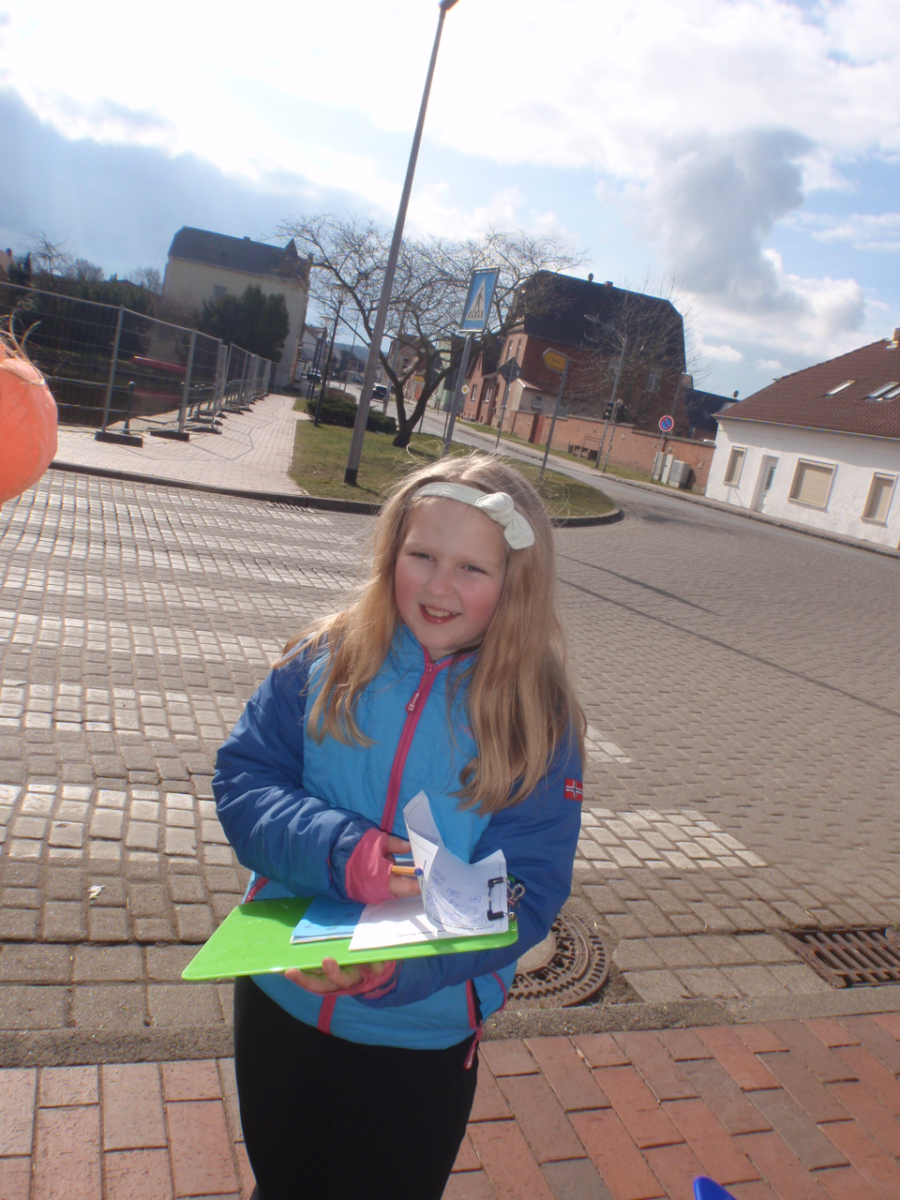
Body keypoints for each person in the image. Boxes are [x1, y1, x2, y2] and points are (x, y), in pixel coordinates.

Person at [213, 453, 586, 1200]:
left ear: (516, 583)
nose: (440, 587)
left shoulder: (536, 719)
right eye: (422, 556)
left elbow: (525, 888)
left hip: (421, 1029)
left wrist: (400, 967)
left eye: (472, 569)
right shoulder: (321, 659)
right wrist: (342, 851)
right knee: (281, 1184)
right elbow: (244, 781)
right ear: (391, 554)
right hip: (282, 997)